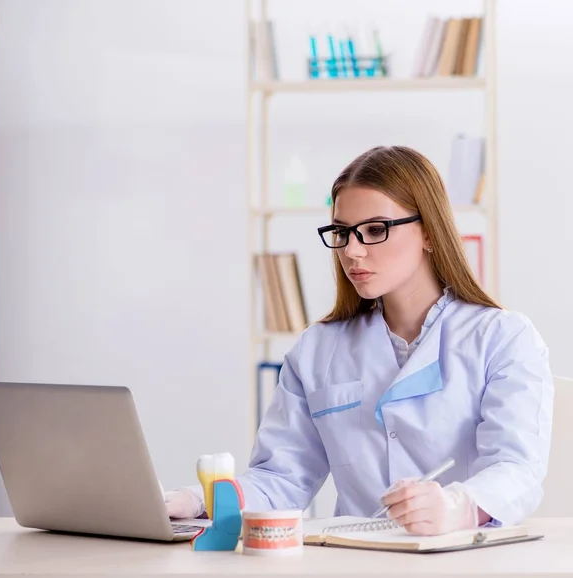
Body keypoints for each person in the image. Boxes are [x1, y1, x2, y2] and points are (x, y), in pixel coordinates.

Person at [164, 145, 554, 536]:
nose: (351, 251)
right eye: (341, 232)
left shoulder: (503, 339)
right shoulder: (316, 350)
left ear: (430, 234)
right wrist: (199, 501)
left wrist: (459, 508)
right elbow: (281, 478)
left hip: (462, 555)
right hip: (355, 558)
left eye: (374, 230)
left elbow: (517, 468)